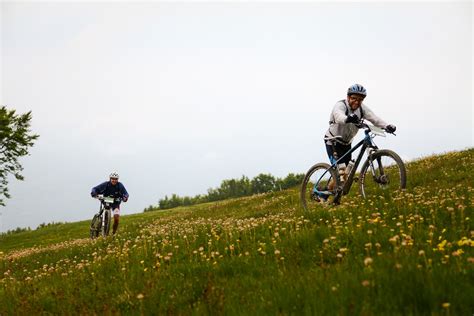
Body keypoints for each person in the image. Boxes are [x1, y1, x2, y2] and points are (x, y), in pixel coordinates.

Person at [319, 84, 396, 200]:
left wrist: (387, 126)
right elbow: (338, 116)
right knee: (340, 172)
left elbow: (374, 118)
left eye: (360, 99)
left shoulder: (362, 109)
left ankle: (330, 195)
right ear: (348, 97)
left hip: (346, 143)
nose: (357, 101)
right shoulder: (340, 105)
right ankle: (321, 194)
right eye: (354, 98)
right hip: (333, 142)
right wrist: (347, 118)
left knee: (345, 174)